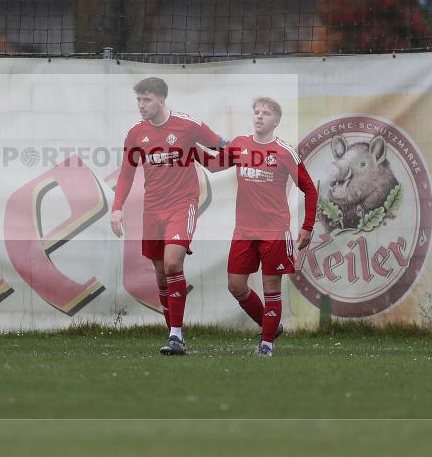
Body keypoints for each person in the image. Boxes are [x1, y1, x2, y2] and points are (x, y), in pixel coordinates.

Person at [110, 77, 225, 356]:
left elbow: (220, 145)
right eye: (138, 100)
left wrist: (249, 151)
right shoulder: (136, 133)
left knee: (173, 263)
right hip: (152, 210)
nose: (141, 105)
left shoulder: (187, 126)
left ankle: (175, 335)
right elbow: (126, 174)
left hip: (181, 205)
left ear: (162, 99)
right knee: (161, 276)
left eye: (146, 99)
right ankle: (175, 336)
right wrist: (117, 208)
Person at [202, 97, 317, 357]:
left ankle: (266, 344)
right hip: (244, 231)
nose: (259, 116)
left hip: (275, 232)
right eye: (256, 112)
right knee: (236, 285)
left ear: (276, 120)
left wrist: (307, 226)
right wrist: (191, 148)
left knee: (271, 287)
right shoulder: (240, 145)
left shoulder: (285, 152)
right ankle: (270, 326)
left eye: (266, 113)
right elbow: (212, 165)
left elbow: (309, 189)